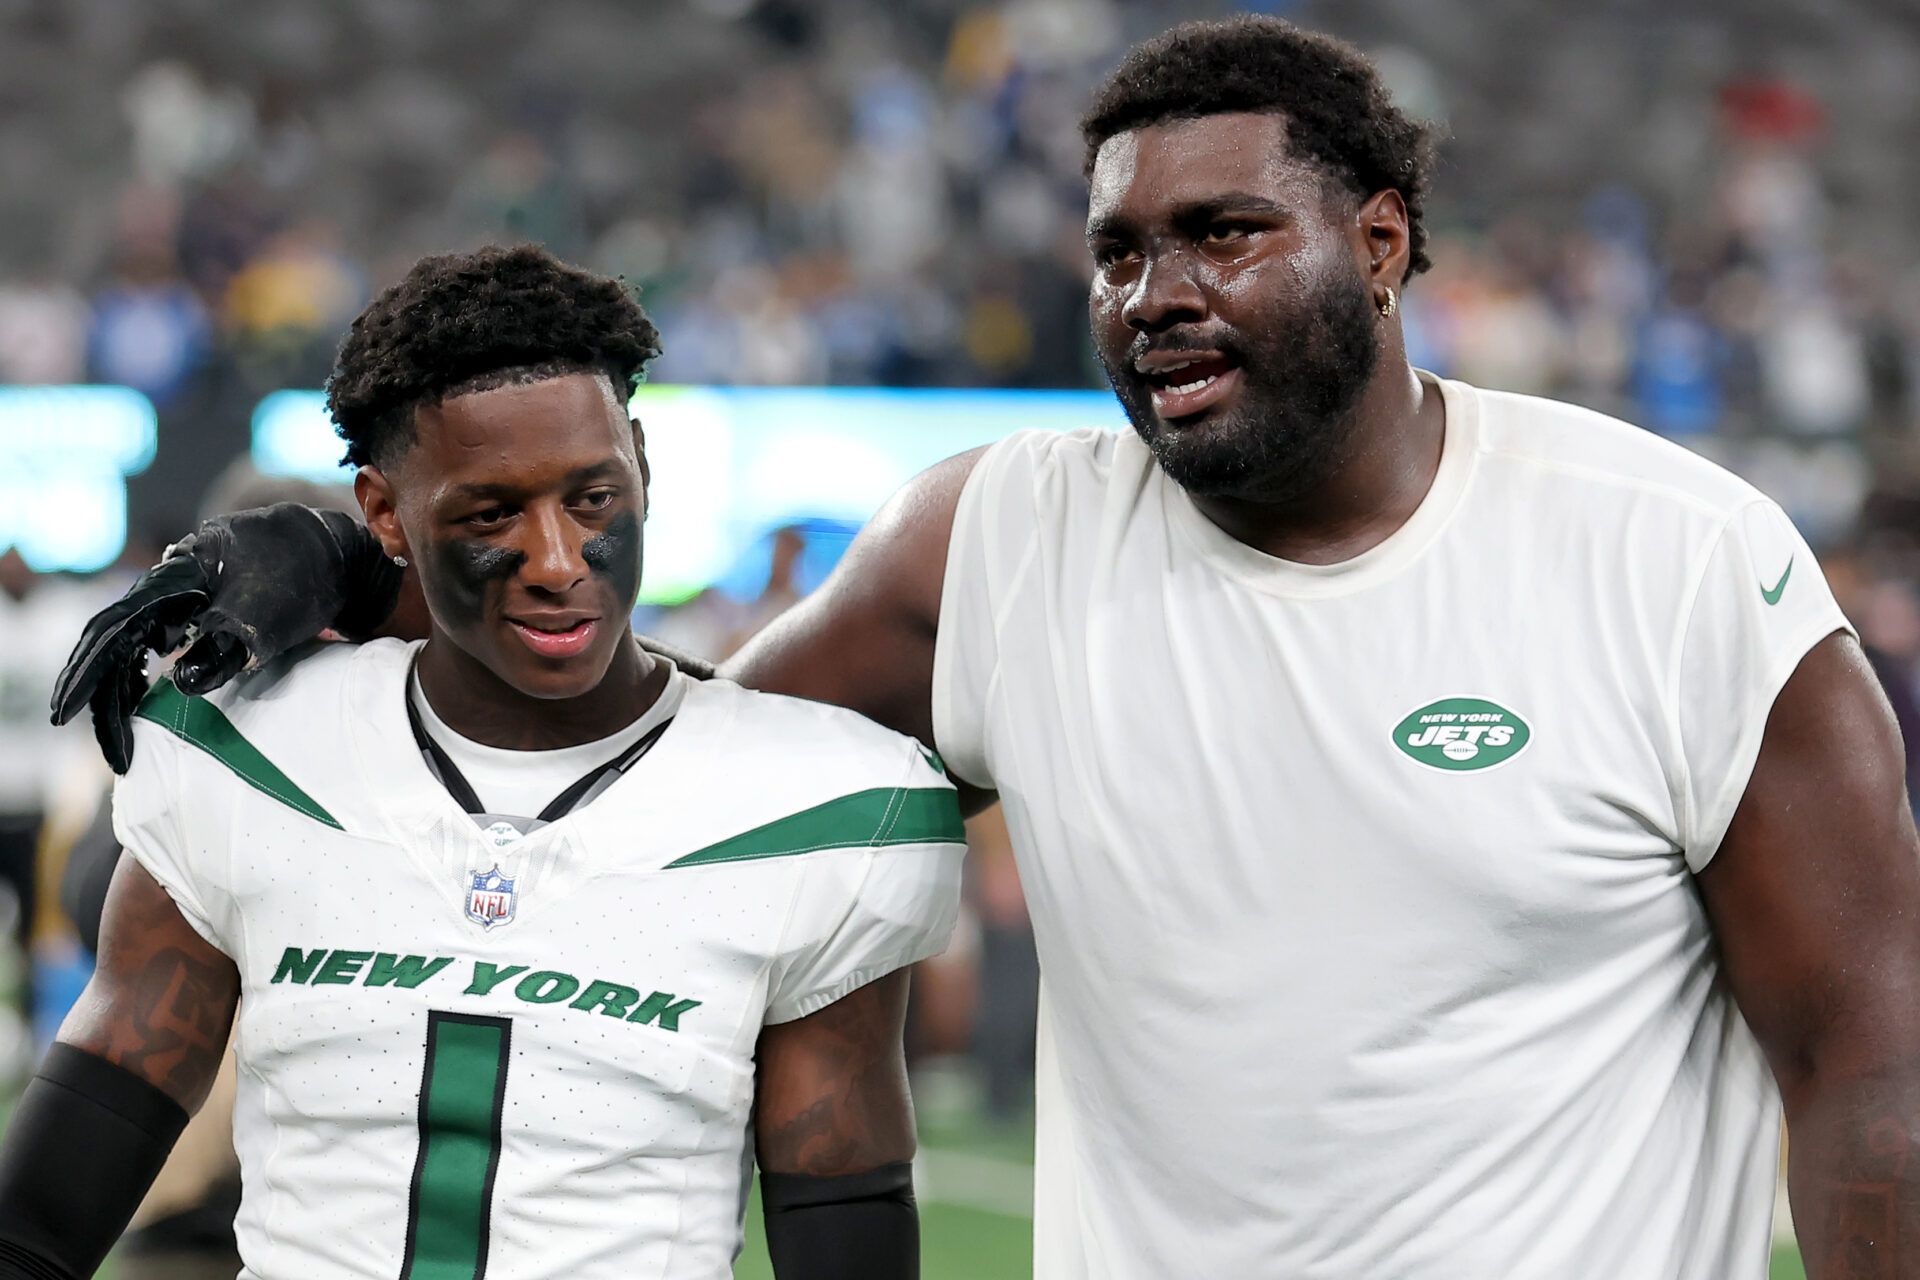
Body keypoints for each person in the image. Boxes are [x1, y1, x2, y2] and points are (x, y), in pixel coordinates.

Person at [48, 17, 1920, 1279]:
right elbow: (642, 762)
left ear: (1381, 241)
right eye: (1116, 251)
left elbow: (1868, 1060)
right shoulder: (1005, 539)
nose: (1156, 292)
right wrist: (332, 571)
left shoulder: (1678, 564)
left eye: (1225, 232)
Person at [6, 244, 964, 1280]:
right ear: (382, 513)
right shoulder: (255, 747)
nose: (559, 562)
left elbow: (846, 1231)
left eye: (593, 497)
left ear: (641, 459)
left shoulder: (805, 799)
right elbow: (45, 1214)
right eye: (490, 513)